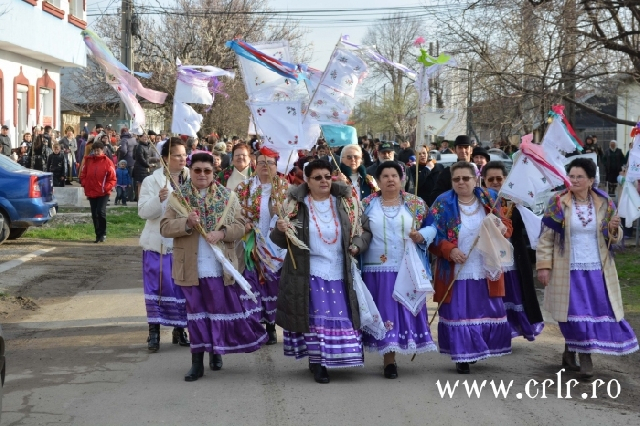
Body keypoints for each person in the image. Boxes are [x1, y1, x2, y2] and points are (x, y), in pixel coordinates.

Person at [160, 152, 267, 382]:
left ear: (213, 173)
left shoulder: (227, 197)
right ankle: (196, 362)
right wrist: (187, 223)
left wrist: (222, 232)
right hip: (190, 266)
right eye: (197, 170)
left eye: (207, 171)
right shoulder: (179, 197)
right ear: (191, 171)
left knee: (217, 311)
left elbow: (240, 226)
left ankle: (216, 352)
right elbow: (165, 227)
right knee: (196, 314)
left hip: (219, 266)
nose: (202, 175)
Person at [271, 159, 372, 384]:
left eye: (328, 176)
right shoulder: (294, 204)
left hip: (340, 268)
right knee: (317, 319)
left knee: (340, 316)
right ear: (307, 181)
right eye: (318, 177)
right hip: (309, 269)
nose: (324, 181)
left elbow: (364, 231)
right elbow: (279, 241)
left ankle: (338, 358)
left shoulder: (347, 202)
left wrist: (356, 245)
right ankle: (318, 363)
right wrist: (280, 229)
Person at [536, 158, 638, 378]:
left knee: (593, 311)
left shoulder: (605, 203)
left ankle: (571, 350)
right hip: (567, 268)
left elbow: (614, 239)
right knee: (573, 312)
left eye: (579, 176)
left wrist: (613, 229)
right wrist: (544, 266)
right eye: (571, 176)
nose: (574, 180)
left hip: (597, 268)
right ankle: (585, 357)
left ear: (591, 180)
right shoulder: (558, 202)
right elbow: (546, 238)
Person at [428, 161, 513, 374]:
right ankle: (462, 355)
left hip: (485, 265)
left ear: (476, 179)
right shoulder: (442, 203)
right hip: (455, 268)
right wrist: (449, 250)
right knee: (459, 311)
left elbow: (505, 226)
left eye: (466, 178)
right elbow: (432, 235)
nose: (461, 182)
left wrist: (502, 228)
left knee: (482, 309)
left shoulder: (490, 198)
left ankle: (478, 348)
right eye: (456, 179)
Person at [360, 162, 437, 379]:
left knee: (402, 311)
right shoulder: (366, 204)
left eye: (395, 175)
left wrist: (421, 235)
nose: (390, 179)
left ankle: (396, 351)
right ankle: (389, 359)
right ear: (378, 180)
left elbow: (432, 226)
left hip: (407, 266)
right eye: (385, 176)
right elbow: (358, 230)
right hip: (377, 270)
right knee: (384, 312)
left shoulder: (415, 203)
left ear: (402, 179)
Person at [138, 138, 190, 352]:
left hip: (183, 245)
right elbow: (143, 212)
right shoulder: (153, 181)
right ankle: (154, 332)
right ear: (165, 159)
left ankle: (180, 330)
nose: (182, 159)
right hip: (158, 245)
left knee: (182, 289)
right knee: (157, 288)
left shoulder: (191, 179)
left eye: (184, 155)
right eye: (177, 155)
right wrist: (159, 200)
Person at [482, 161, 544, 341]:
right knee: (493, 297)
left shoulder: (515, 201)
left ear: (506, 179)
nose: (495, 182)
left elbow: (528, 226)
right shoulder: (479, 201)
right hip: (489, 257)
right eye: (490, 179)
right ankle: (494, 332)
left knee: (514, 293)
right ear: (484, 181)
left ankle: (513, 329)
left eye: (499, 178)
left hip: (512, 256)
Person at [235, 147, 289, 345]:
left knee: (273, 284)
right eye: (262, 163)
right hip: (251, 244)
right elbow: (234, 212)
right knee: (252, 283)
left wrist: (281, 213)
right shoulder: (244, 188)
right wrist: (244, 224)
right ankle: (254, 325)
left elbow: (294, 214)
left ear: (276, 166)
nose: (266, 167)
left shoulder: (285, 188)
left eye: (270, 163)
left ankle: (271, 326)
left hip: (275, 246)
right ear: (255, 165)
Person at [80, 141, 116, 243]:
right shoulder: (89, 161)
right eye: (94, 150)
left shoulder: (108, 162)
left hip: (103, 191)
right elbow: (83, 174)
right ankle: (97, 234)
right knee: (94, 213)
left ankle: (103, 233)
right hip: (91, 190)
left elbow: (112, 178)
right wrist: (84, 183)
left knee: (101, 211)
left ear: (102, 150)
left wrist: (106, 188)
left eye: (98, 150)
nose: (96, 152)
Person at [427, 135, 473, 205]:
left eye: (466, 147)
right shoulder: (447, 172)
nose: (463, 151)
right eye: (460, 147)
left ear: (471, 150)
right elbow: (434, 196)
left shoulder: (479, 171)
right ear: (455, 150)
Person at [133, 133, 153, 200]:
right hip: (140, 168)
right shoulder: (139, 146)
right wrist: (147, 165)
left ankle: (143, 199)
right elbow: (140, 158)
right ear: (140, 138)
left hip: (144, 168)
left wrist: (155, 160)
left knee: (144, 185)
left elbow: (147, 157)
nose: (145, 138)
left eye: (146, 137)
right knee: (140, 185)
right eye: (143, 137)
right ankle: (140, 200)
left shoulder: (146, 146)